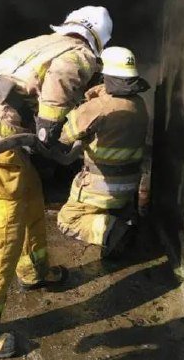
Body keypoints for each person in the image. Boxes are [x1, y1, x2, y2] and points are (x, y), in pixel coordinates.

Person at [0, 6, 112, 358]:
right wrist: (51, 128)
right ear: (97, 41)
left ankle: (35, 269)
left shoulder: (40, 42)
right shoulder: (78, 53)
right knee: (2, 222)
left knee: (29, 194)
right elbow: (61, 83)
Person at [56, 46, 150, 258]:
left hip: (100, 187)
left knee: (68, 221)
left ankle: (116, 231)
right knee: (109, 212)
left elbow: (63, 137)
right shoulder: (139, 104)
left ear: (104, 76)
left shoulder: (98, 107)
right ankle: (120, 223)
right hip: (129, 185)